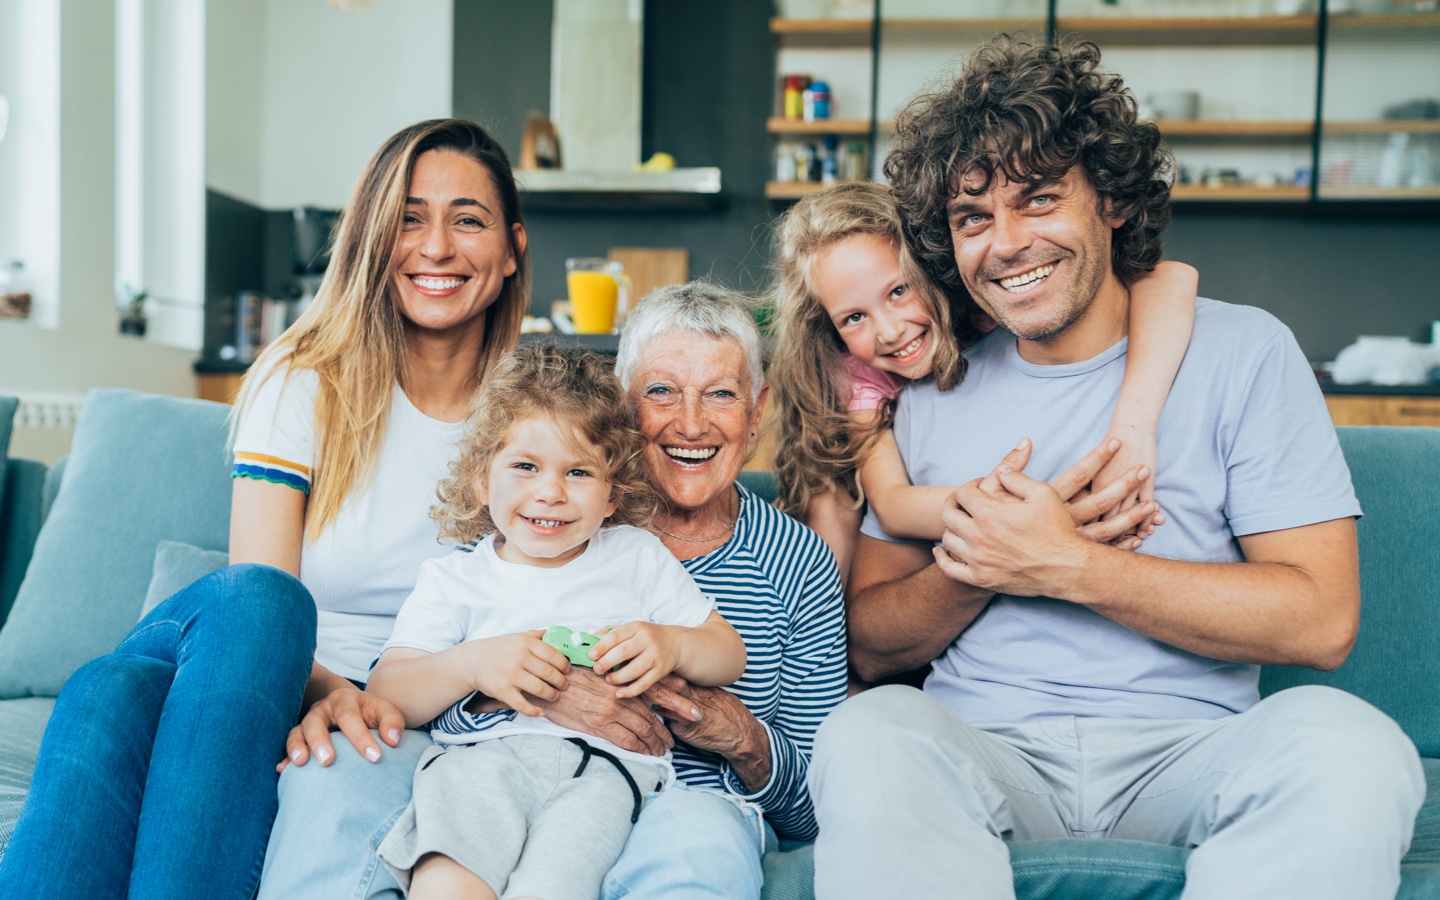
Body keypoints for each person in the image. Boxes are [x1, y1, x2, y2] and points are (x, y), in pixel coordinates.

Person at [809, 36, 1425, 900]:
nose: (1008, 242)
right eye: (974, 218)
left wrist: (1071, 566)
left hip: (1194, 747)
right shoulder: (935, 380)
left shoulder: (1243, 351)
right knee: (870, 732)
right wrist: (991, 562)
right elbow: (872, 644)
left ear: (1113, 204)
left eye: (1039, 200)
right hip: (985, 748)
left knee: (1353, 745)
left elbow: (1320, 620)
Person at [0, 117, 531, 900]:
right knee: (265, 602)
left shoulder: (534, 419)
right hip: (248, 663)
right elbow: (256, 609)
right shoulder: (308, 376)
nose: (437, 247)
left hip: (390, 703)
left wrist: (379, 701)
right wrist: (337, 695)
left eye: (468, 220)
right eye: (409, 218)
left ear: (513, 245)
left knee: (108, 694)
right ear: (370, 239)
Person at [262, 282, 849, 900]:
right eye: (661, 392)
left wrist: (741, 736)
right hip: (489, 767)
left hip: (656, 794)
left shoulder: (791, 563)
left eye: (721, 394)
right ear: (624, 409)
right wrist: (526, 693)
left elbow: (813, 801)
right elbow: (418, 679)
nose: (692, 421)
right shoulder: (526, 537)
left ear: (757, 412)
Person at [367, 344, 746, 899]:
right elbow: (387, 692)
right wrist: (473, 664)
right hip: (480, 766)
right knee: (447, 879)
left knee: (555, 885)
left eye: (578, 472)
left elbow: (728, 652)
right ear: (481, 479)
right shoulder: (453, 580)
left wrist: (672, 644)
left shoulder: (636, 557)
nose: (550, 492)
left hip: (603, 774)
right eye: (524, 466)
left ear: (613, 493)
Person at [769, 181, 1198, 580]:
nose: (890, 331)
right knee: (830, 507)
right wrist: (1026, 518)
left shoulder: (990, 304)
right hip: (861, 473)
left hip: (946, 496)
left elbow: (1174, 277)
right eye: (854, 317)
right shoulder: (857, 375)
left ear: (930, 267)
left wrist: (1133, 428)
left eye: (899, 291)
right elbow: (895, 506)